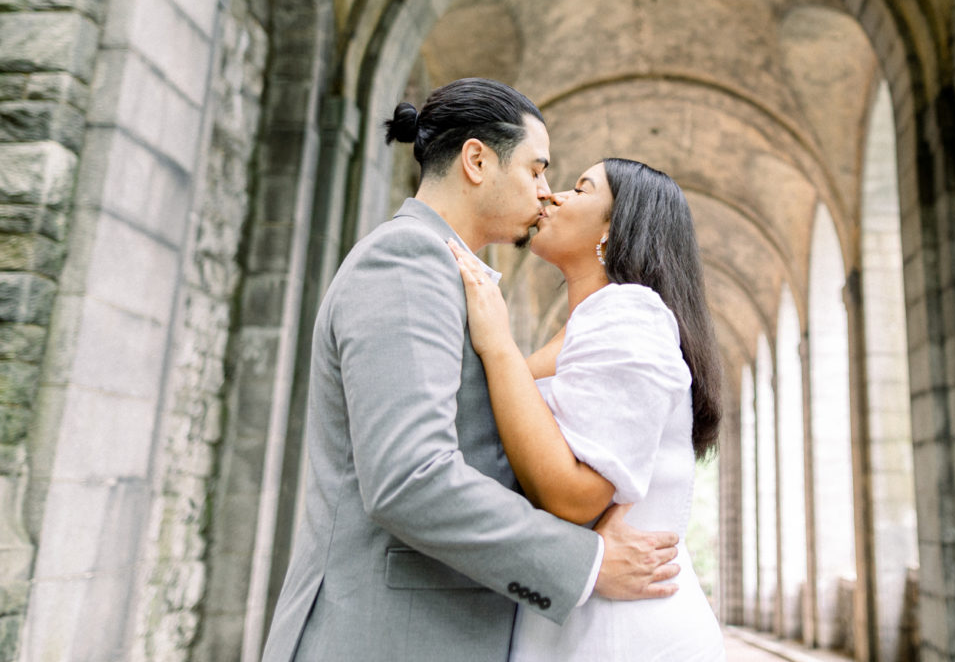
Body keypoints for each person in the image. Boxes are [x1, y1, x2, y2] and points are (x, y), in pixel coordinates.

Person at [261, 80, 682, 662]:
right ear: (477, 160)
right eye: (537, 169)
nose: (544, 191)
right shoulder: (406, 259)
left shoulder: (450, 272)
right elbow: (411, 478)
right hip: (387, 638)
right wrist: (583, 560)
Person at [448, 157, 726, 661]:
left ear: (614, 228)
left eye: (581, 188)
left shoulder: (629, 313)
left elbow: (574, 496)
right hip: (574, 617)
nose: (553, 195)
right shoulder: (587, 325)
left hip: (623, 632)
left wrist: (497, 344)